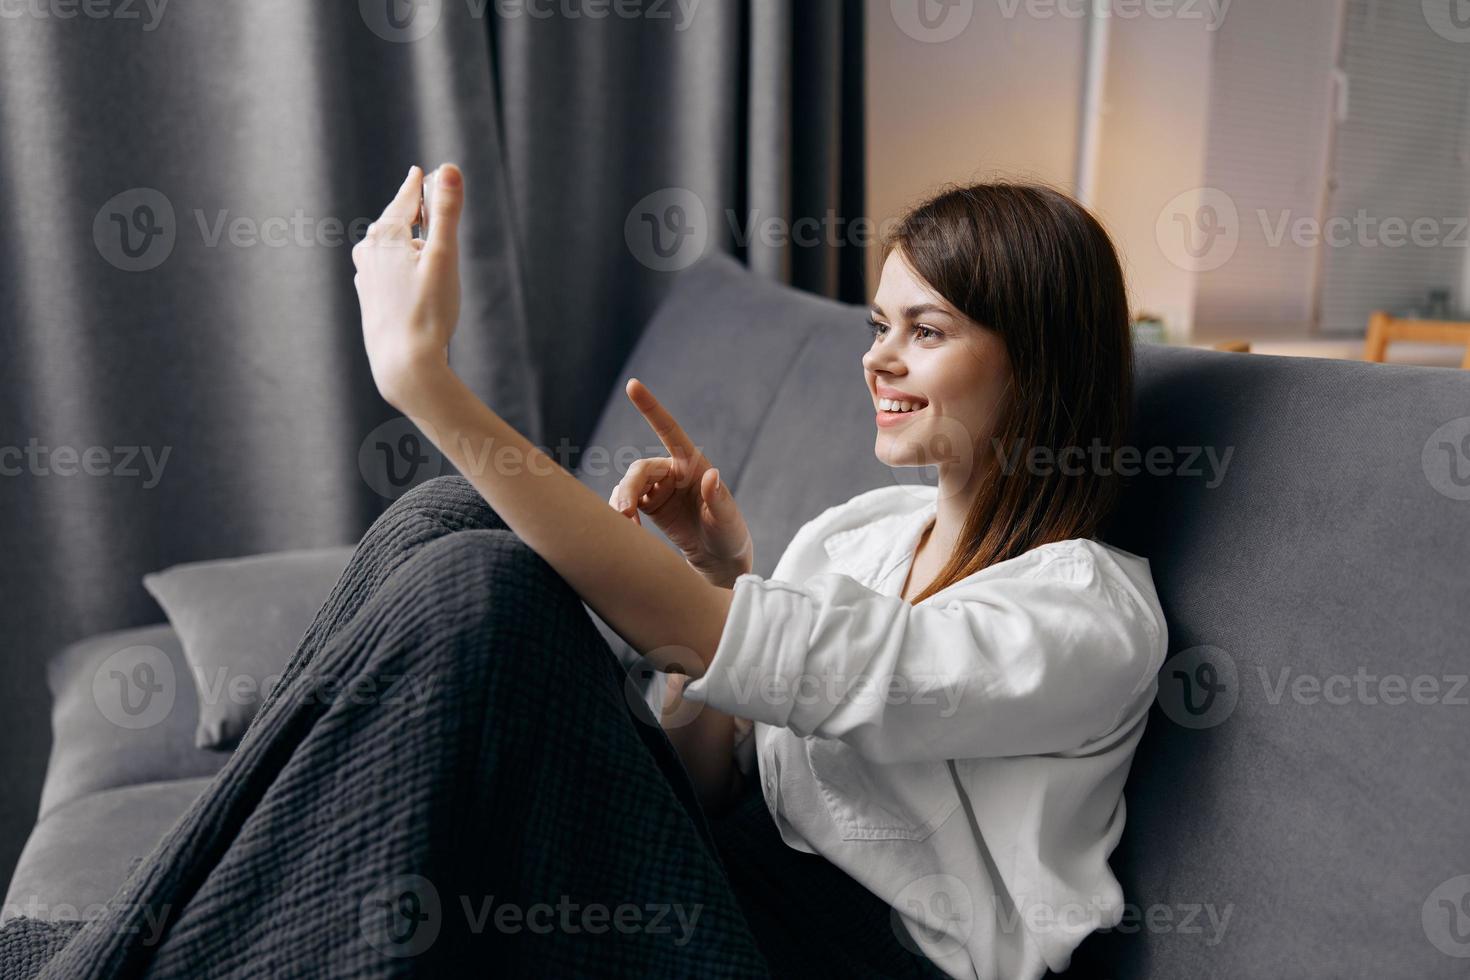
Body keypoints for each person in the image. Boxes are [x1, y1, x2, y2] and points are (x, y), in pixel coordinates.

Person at [349, 166, 1167, 979]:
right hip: (724, 879)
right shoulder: (857, 536)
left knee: (479, 579)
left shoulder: (1085, 613)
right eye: (879, 326)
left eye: (926, 331)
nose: (878, 360)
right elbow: (708, 784)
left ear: (1037, 365)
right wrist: (717, 572)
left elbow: (823, 670)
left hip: (852, 956)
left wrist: (426, 387)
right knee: (445, 519)